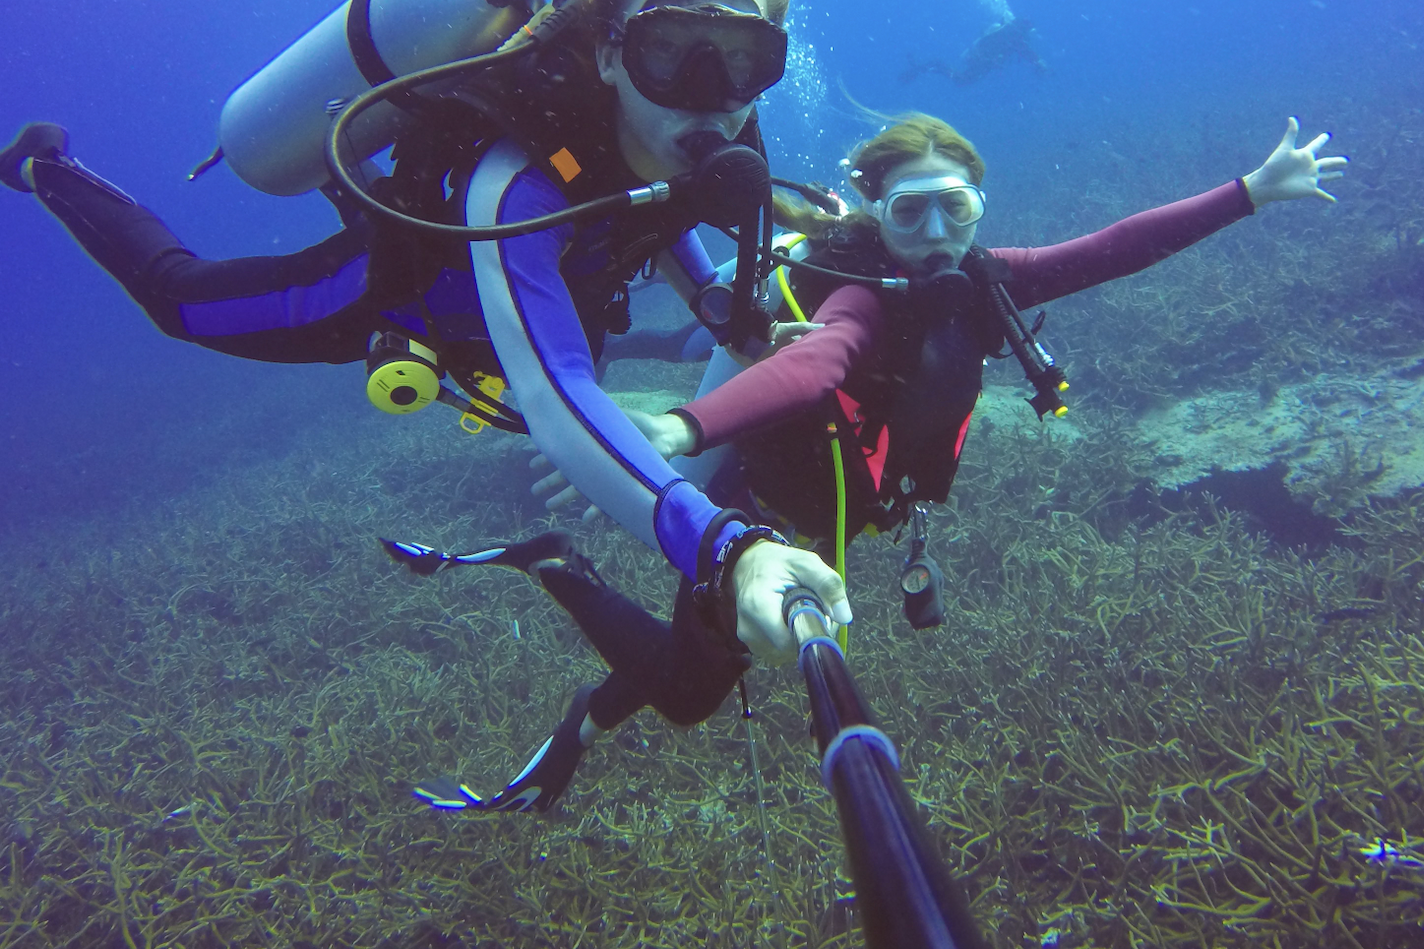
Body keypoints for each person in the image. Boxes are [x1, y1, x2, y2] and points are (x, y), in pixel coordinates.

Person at [1, 0, 852, 802]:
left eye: (743, 58)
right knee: (181, 300)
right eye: (670, 49)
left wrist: (711, 305)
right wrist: (724, 546)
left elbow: (655, 209)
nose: (710, 88)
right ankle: (46, 168)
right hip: (408, 286)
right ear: (611, 49)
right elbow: (557, 393)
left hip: (542, 287)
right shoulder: (513, 184)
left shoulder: (710, 129)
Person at [393, 110, 1346, 811]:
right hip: (764, 521)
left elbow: (1108, 249)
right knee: (690, 691)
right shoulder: (860, 296)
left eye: (955, 209)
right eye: (909, 214)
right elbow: (816, 362)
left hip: (839, 518)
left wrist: (1250, 193)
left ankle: (582, 717)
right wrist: (686, 430)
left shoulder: (987, 283)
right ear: (875, 216)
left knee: (700, 667)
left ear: (978, 207)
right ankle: (560, 570)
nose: (935, 237)